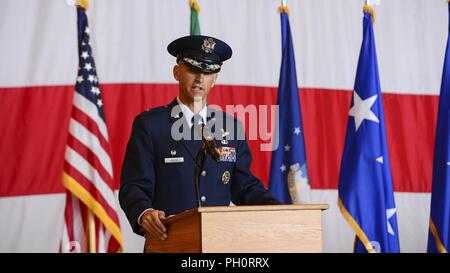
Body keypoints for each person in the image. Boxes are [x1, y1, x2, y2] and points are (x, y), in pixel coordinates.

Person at [119, 35, 280, 242]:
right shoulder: (151, 125)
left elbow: (245, 187)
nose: (199, 79)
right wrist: (144, 212)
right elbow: (134, 186)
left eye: (208, 72)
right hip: (169, 242)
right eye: (193, 70)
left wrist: (283, 210)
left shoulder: (231, 127)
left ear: (215, 79)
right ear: (177, 72)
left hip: (219, 243)